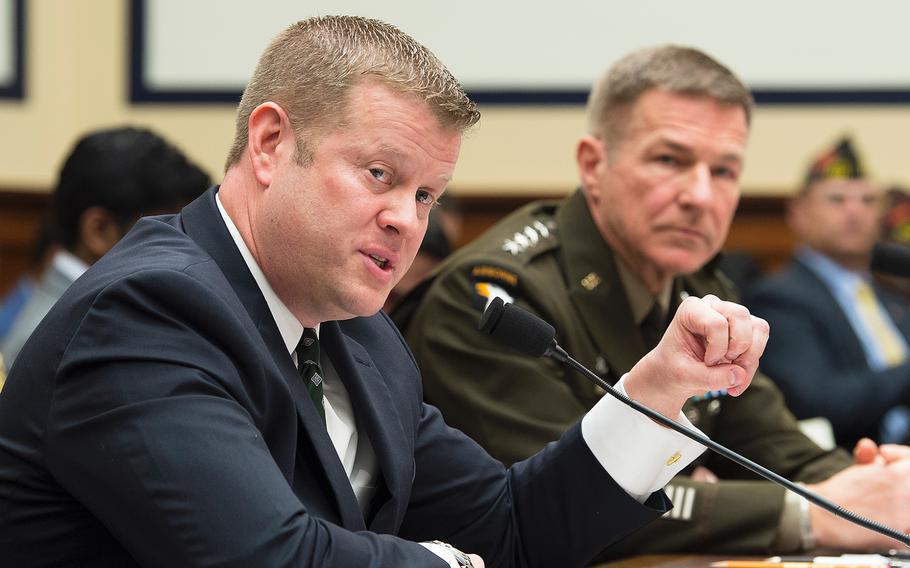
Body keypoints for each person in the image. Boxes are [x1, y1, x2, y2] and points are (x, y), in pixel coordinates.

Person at [0, 18, 771, 567]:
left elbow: (510, 528)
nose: (406, 221)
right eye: (380, 175)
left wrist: (656, 392)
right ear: (271, 144)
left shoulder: (359, 334)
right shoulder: (147, 311)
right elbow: (264, 556)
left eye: (429, 195)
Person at [394, 46, 910, 558]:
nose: (701, 196)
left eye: (725, 171)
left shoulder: (694, 287)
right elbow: (561, 508)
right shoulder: (498, 299)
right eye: (670, 160)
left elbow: (774, 447)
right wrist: (811, 514)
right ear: (593, 164)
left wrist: (872, 484)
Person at [0, 126, 211, 366]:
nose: (187, 250)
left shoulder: (90, 318)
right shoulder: (75, 335)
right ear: (99, 231)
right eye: (166, 232)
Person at [748, 139, 910, 448]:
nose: (855, 211)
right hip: (849, 461)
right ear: (799, 213)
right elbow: (819, 402)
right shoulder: (779, 297)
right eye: (837, 200)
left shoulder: (891, 293)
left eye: (868, 200)